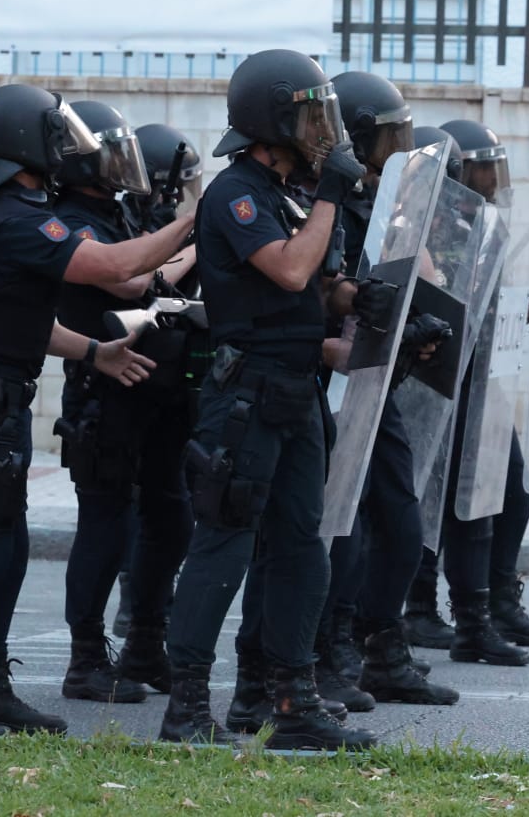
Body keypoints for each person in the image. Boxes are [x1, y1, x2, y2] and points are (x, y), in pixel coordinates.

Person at [0, 84, 195, 736]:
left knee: (5, 549)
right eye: (56, 136)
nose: (69, 148)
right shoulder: (21, 219)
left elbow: (23, 321)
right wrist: (195, 225)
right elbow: (116, 266)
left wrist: (95, 352)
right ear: (26, 142)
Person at [158, 49, 376, 750]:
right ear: (271, 120)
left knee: (301, 553)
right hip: (244, 396)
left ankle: (289, 700)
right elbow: (287, 270)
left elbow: (322, 286)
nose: (323, 129)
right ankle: (187, 708)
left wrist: (373, 300)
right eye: (311, 116)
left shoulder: (296, 192)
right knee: (223, 548)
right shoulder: (236, 193)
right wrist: (332, 198)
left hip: (295, 394)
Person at [313, 72, 459, 710]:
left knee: (400, 522)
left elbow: (419, 277)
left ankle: (382, 646)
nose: (398, 147)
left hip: (375, 383)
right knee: (338, 528)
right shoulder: (325, 204)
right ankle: (332, 646)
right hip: (325, 382)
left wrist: (421, 321)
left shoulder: (381, 203)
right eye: (390, 134)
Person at [403, 119, 529, 662]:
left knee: (507, 492)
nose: (491, 180)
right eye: (480, 169)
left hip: (482, 378)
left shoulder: (485, 223)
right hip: (435, 382)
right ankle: (425, 612)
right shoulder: (428, 223)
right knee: (431, 502)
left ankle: (496, 603)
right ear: (454, 172)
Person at [54, 102, 199, 706]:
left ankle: (146, 641)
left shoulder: (119, 212)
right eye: (110, 152)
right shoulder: (65, 219)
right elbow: (133, 280)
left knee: (170, 519)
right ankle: (86, 657)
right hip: (105, 392)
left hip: (160, 391)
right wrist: (197, 233)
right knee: (105, 527)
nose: (123, 166)